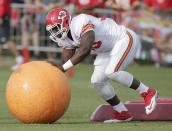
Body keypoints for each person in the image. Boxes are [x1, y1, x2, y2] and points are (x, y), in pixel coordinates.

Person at [45, 8, 158, 122]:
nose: (55, 32)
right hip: (106, 50)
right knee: (97, 81)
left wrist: (63, 67)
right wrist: (56, 69)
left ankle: (147, 92)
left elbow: (85, 49)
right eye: (52, 30)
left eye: (55, 28)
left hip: (123, 38)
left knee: (112, 72)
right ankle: (122, 112)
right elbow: (66, 60)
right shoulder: (64, 38)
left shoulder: (80, 22)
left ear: (65, 22)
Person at [0, 0, 23, 70]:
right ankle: (19, 59)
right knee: (2, 41)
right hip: (4, 16)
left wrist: (0, 16)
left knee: (7, 40)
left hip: (4, 17)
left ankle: (19, 59)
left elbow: (2, 4)